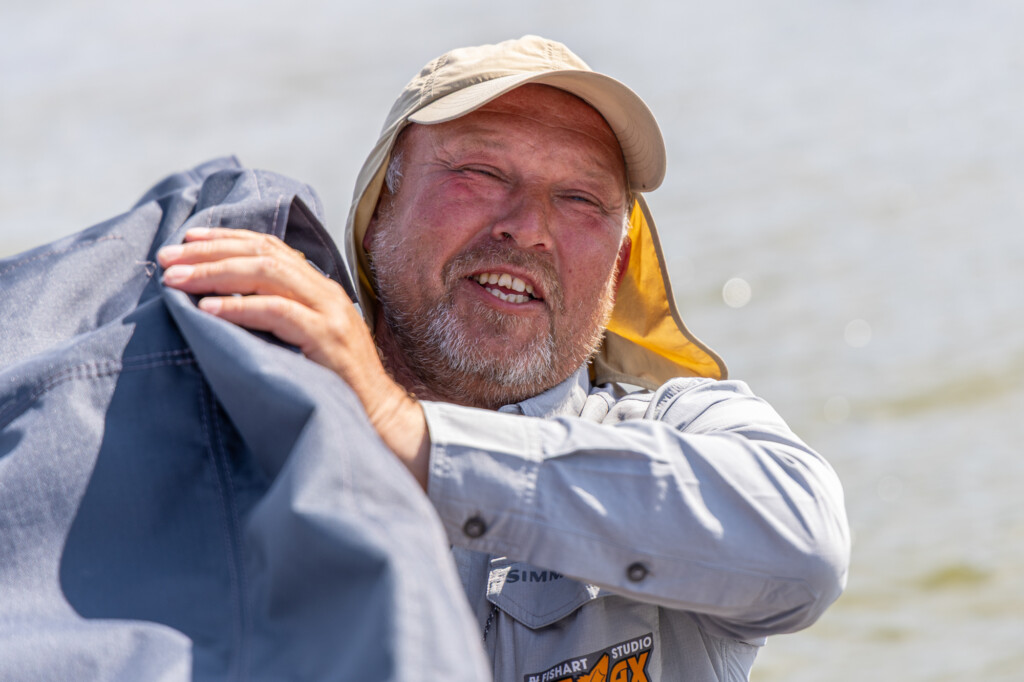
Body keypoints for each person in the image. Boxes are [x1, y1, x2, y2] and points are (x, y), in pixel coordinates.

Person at [159, 35, 850, 682]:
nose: (528, 227)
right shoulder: (251, 433)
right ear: (376, 217)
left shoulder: (679, 426)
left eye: (579, 198)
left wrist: (413, 438)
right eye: (481, 172)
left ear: (617, 271)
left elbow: (807, 553)